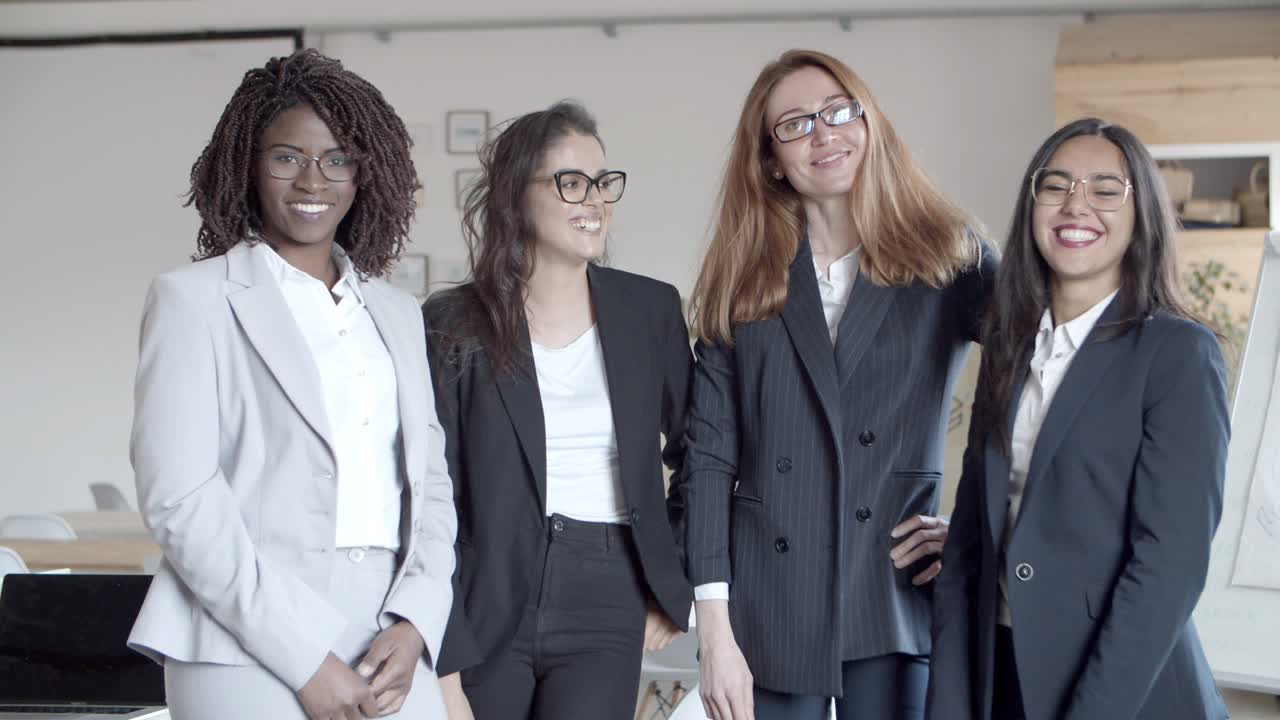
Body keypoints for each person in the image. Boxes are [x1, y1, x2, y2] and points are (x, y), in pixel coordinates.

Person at [127, 48, 456, 720]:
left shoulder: (394, 314)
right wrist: (302, 655)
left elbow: (431, 484)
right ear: (249, 164)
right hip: (242, 629)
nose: (314, 180)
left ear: (364, 174)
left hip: (390, 626)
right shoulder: (194, 301)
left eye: (337, 159)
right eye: (287, 157)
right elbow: (181, 499)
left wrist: (419, 617)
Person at [679, 49, 997, 720]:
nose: (824, 134)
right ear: (770, 157)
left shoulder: (950, 254)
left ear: (868, 122)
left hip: (891, 590)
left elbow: (1040, 384)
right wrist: (714, 633)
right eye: (794, 124)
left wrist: (978, 529)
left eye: (838, 111)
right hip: (766, 607)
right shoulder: (744, 277)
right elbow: (706, 462)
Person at [927, 117, 1230, 720]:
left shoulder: (1177, 354)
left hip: (1125, 694)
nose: (1076, 205)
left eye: (1105, 189)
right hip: (1001, 674)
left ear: (1140, 213)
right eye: (1056, 185)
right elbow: (969, 545)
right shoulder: (1007, 351)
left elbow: (1166, 570)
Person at [423, 101, 694, 720]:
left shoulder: (650, 311)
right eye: (571, 182)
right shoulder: (451, 323)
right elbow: (430, 490)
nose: (594, 200)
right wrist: (444, 661)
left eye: (603, 183)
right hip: (483, 590)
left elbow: (699, 454)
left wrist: (666, 580)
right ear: (517, 196)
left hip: (607, 588)